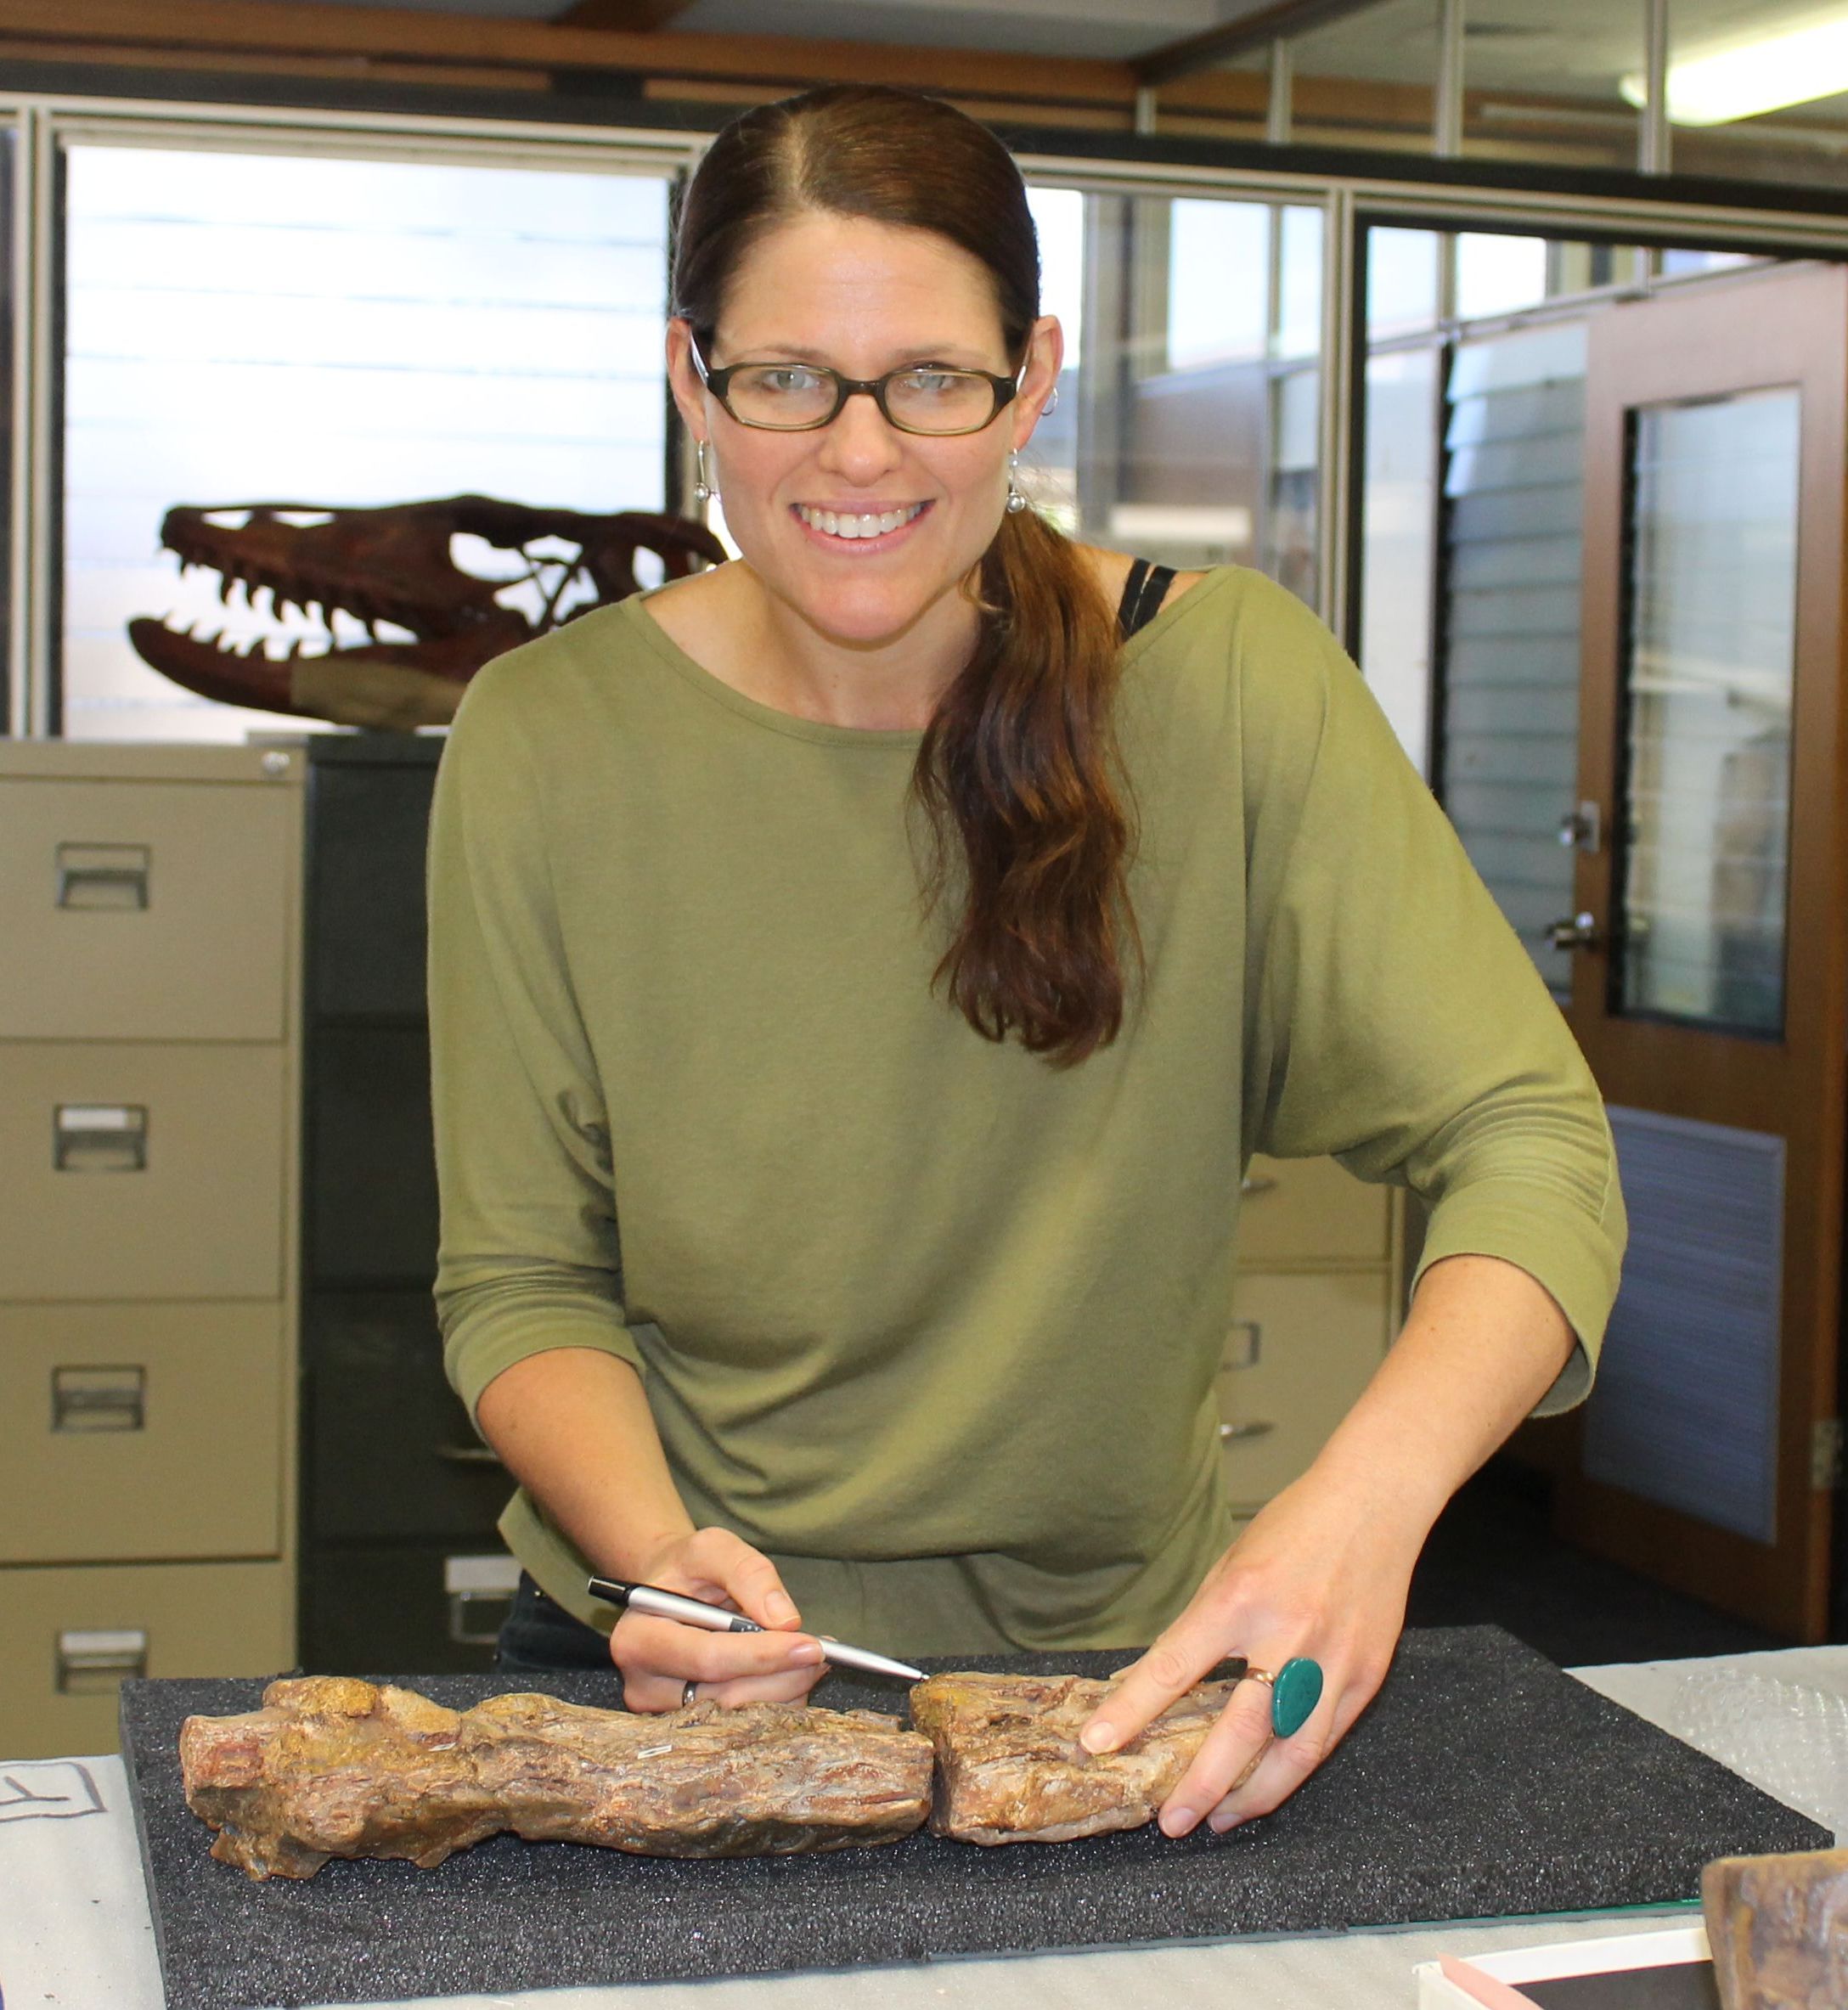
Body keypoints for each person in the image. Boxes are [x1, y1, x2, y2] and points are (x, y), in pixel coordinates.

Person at [426, 82, 1625, 1842]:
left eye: (928, 379)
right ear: (691, 379)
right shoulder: (543, 736)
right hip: (661, 1668)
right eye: (783, 380)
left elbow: (1530, 1138)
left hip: (1118, 1691)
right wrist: (650, 1557)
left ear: (1030, 377)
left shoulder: (1221, 688)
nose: (856, 452)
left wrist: (1357, 1508)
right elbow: (519, 1280)